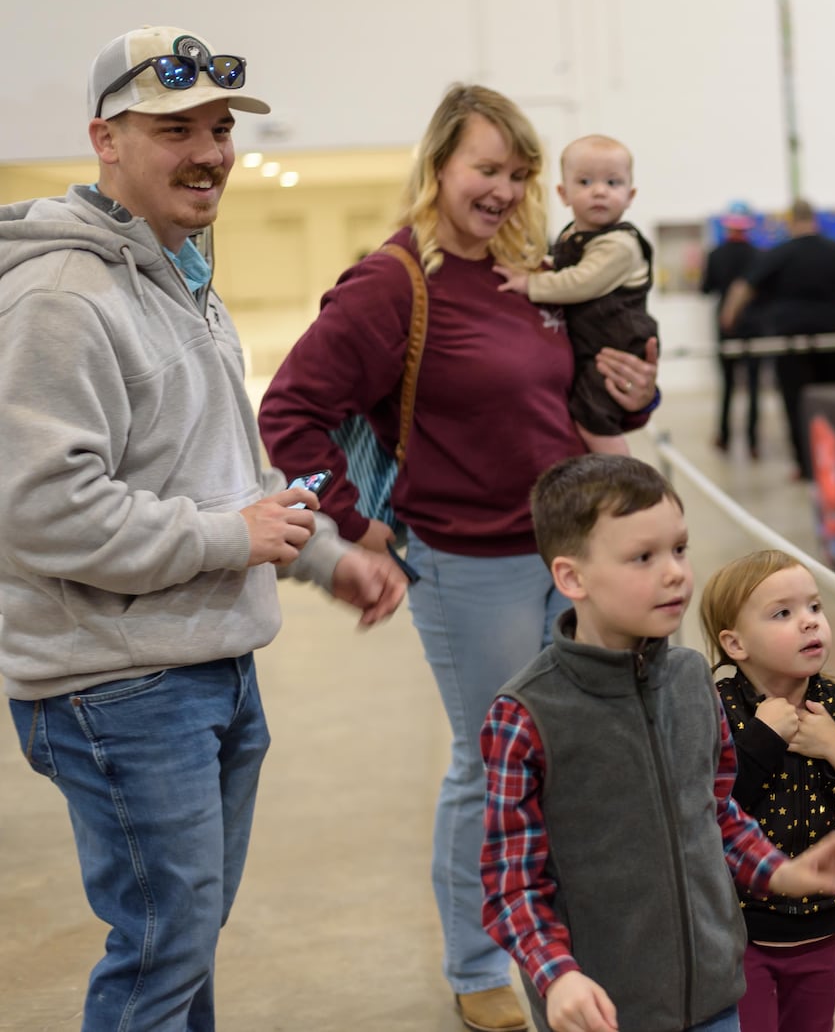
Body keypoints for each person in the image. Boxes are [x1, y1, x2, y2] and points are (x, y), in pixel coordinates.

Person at [0, 25, 409, 1032]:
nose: (210, 150)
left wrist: (323, 556)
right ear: (105, 137)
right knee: (159, 951)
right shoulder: (62, 296)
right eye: (174, 127)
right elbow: (42, 507)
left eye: (220, 127)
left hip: (206, 658)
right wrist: (235, 539)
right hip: (117, 683)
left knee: (183, 947)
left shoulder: (181, 276)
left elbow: (224, 470)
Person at [257, 86, 660, 1032]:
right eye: (487, 168)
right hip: (467, 564)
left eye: (520, 173)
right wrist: (356, 527)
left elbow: (574, 404)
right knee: (492, 766)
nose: (504, 188)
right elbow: (289, 411)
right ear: (440, 164)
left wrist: (631, 398)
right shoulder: (395, 281)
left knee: (569, 760)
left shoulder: (532, 271)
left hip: (566, 555)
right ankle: (478, 959)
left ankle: (550, 938)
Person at [481, 454, 835, 1032]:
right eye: (643, 557)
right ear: (571, 578)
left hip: (715, 998)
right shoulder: (526, 716)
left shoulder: (690, 680)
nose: (675, 573)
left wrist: (782, 872)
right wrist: (555, 975)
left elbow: (714, 815)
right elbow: (512, 884)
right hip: (602, 1013)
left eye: (679, 549)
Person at [699, 550, 835, 1031]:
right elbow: (712, 810)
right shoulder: (718, 710)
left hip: (821, 929)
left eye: (814, 607)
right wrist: (761, 742)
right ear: (735, 644)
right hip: (738, 935)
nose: (809, 623)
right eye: (783, 614)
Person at [495, 134, 656, 456]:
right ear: (563, 193)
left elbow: (581, 281)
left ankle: (622, 476)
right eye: (585, 181)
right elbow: (563, 268)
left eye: (613, 182)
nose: (599, 190)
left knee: (593, 416)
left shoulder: (618, 245)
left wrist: (531, 284)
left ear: (630, 195)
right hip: (593, 343)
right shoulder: (574, 236)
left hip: (618, 343)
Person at [721, 200, 835, 480]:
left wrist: (729, 316)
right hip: (832, 332)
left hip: (790, 337)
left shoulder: (781, 252)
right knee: (834, 398)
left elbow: (744, 286)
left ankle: (804, 464)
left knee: (795, 401)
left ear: (791, 220)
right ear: (814, 218)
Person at [701, 203, 763, 458]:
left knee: (727, 385)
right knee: (754, 386)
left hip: (726, 327)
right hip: (754, 324)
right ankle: (753, 442)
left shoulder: (716, 254)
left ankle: (724, 437)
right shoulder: (758, 255)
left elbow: (706, 289)